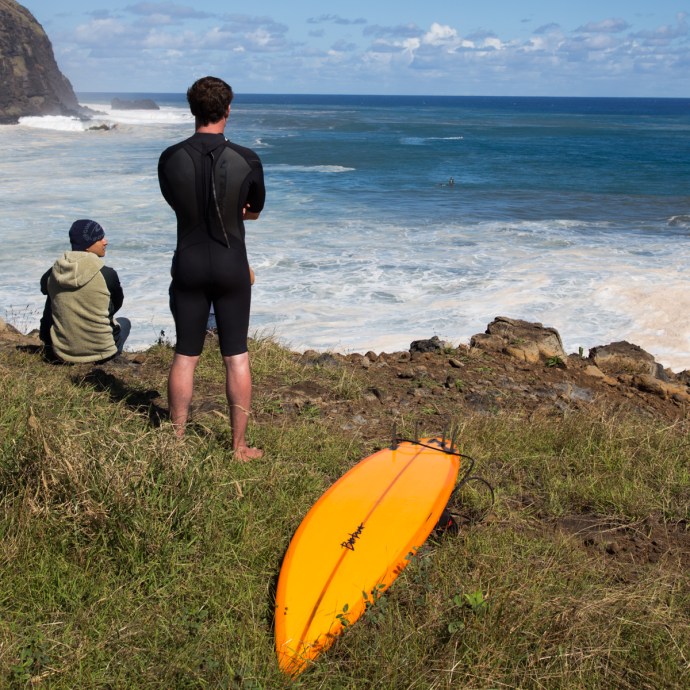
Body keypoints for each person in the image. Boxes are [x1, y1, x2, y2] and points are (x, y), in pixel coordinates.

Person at [158, 76, 266, 461]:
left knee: (185, 354)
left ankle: (176, 441)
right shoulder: (248, 158)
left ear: (192, 109)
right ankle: (238, 447)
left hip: (188, 260)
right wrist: (235, 211)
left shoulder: (170, 157)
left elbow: (176, 202)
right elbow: (253, 211)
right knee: (235, 354)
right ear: (228, 109)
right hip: (230, 261)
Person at [40, 219, 130, 363]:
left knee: (53, 293)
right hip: (102, 351)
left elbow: (43, 288)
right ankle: (111, 356)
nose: (105, 242)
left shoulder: (54, 272)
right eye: (100, 239)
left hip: (61, 351)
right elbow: (116, 304)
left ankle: (52, 344)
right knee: (125, 322)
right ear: (87, 245)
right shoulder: (107, 274)